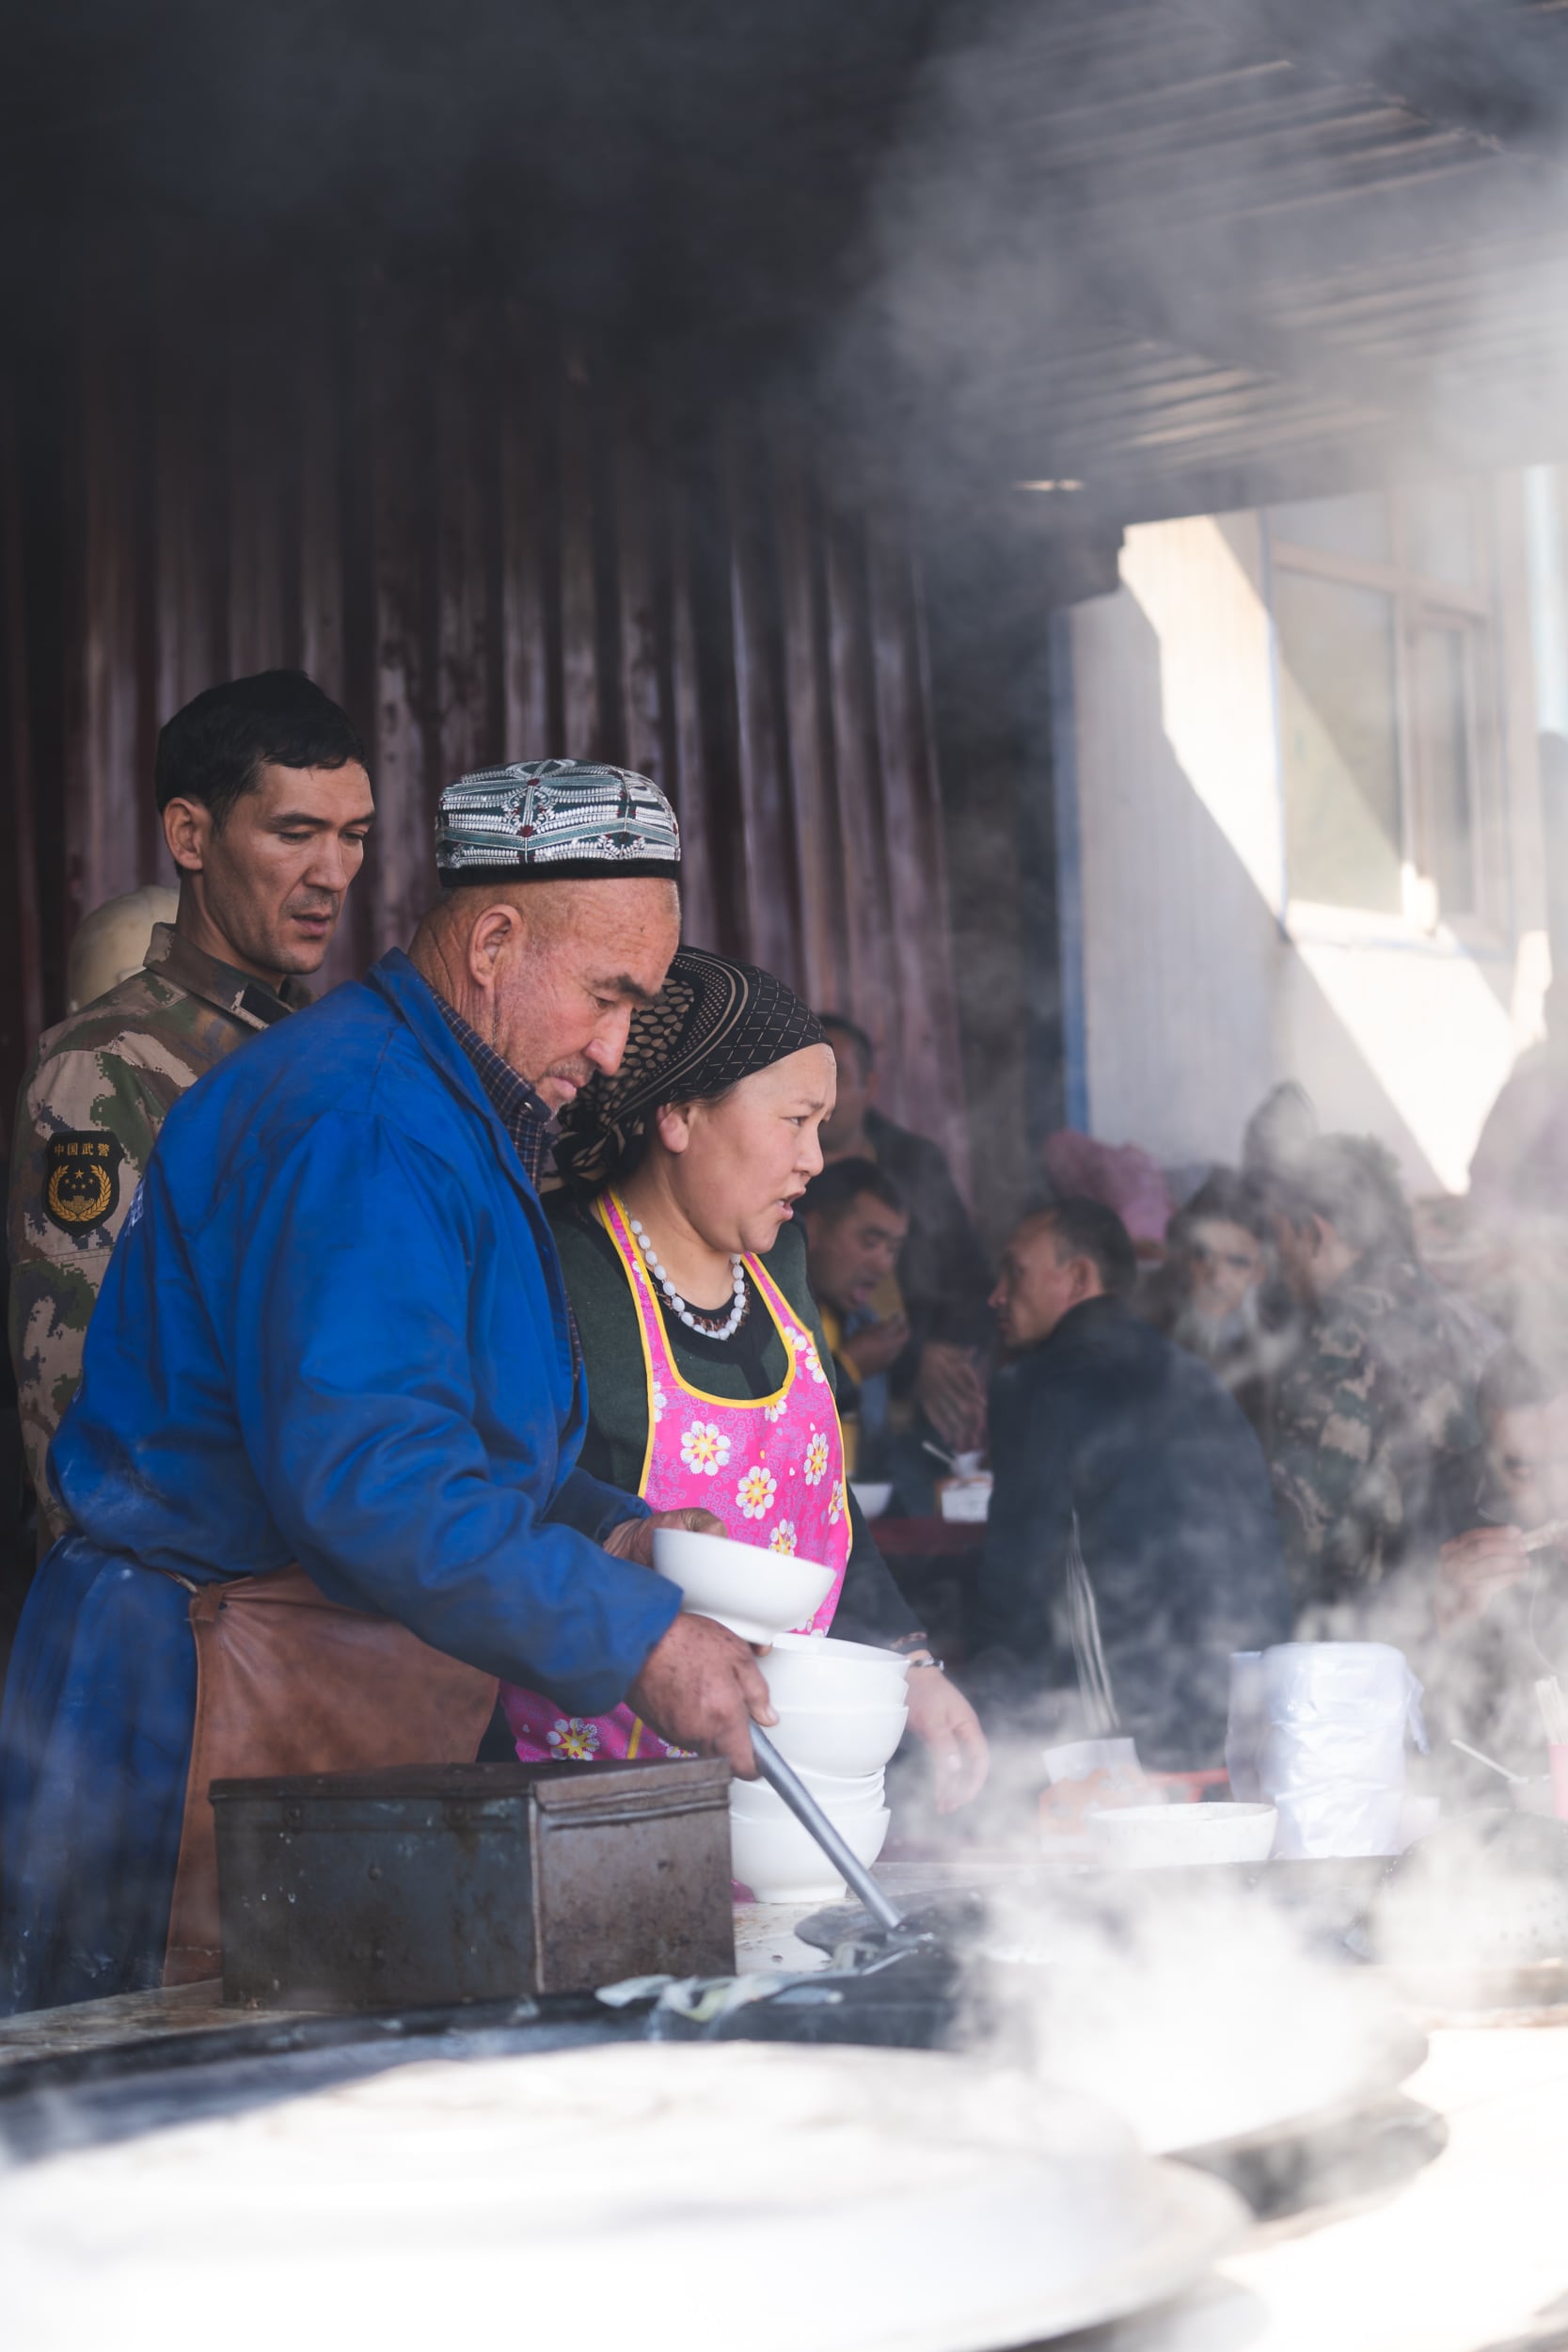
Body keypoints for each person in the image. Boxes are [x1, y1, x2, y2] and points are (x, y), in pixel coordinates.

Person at [0, 760, 774, 2016]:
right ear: (496, 940)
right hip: (198, 1699)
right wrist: (633, 1639)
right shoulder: (361, 1118)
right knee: (162, 2130)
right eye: (606, 995)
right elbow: (373, 1483)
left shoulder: (444, 1109)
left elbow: (453, 1427)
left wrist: (609, 1530)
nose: (618, 1047)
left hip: (304, 1692)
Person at [512, 953, 988, 1805]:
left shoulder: (782, 1269)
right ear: (682, 1115)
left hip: (774, 1772)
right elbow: (497, 1505)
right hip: (593, 1785)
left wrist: (910, 1665)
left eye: (824, 1125)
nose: (815, 1160)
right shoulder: (556, 1267)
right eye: (796, 1121)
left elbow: (824, 1510)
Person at [8, 673, 373, 1551]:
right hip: (195, 1618)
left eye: (352, 836)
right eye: (295, 833)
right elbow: (76, 1409)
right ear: (190, 834)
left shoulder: (336, 1051)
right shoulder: (102, 1068)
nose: (332, 873)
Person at [968, 1200, 1291, 1769]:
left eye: (1015, 1272)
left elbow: (1015, 1585)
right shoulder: (1198, 1378)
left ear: (1079, 1277)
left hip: (1135, 1727)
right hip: (1247, 1707)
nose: (997, 1294)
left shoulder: (1038, 1387)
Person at [1267, 1135, 1480, 1623]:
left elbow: (1302, 1529)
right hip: (1452, 1620)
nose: (1277, 1262)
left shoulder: (1338, 1341)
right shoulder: (1448, 1310)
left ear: (1316, 1234)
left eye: (1281, 1236)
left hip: (1378, 1627)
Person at [816, 1014, 991, 1462]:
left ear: (871, 1087)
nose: (822, 1090)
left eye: (838, 1075)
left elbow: (970, 1280)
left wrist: (929, 1358)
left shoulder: (912, 1163)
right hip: (829, 1380)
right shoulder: (783, 1165)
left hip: (913, 1400)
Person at [1421, 1345, 1568, 1778]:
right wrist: (1452, 1628)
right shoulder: (1452, 1525)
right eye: (1524, 1472)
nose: (1558, 1496)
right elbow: (1444, 1758)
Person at [1141, 1168, 1293, 1444]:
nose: (1217, 1279)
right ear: (1184, 1258)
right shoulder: (1146, 1325)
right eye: (1203, 1255)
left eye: (1237, 1263)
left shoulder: (1280, 1350)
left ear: (1259, 1271)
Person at [800, 1157, 911, 1464]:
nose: (884, 1265)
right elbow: (774, 1430)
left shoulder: (867, 1328)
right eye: (870, 1242)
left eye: (893, 1250)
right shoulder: (769, 1317)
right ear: (816, 1230)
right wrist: (849, 1368)